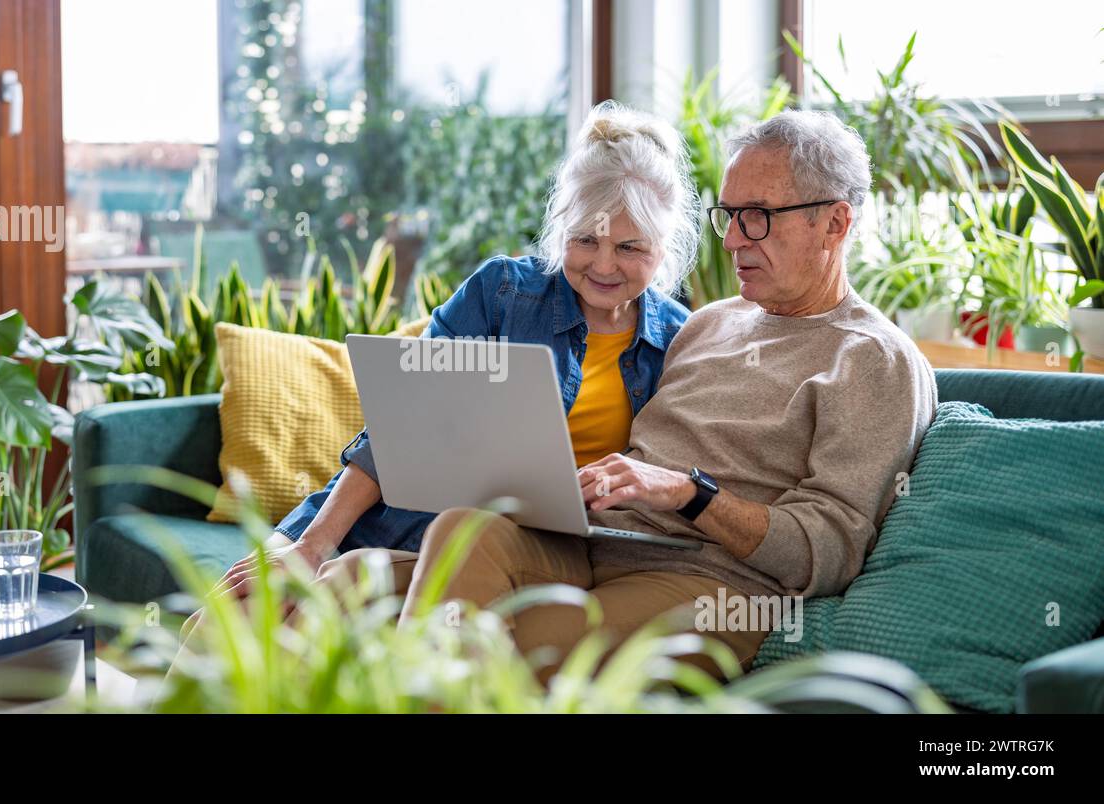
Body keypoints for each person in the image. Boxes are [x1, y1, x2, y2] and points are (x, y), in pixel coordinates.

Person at [342, 109, 938, 683]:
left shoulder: (874, 360)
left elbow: (828, 551)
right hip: (595, 545)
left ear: (835, 222)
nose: (731, 241)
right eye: (727, 215)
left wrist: (689, 494)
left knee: (506, 643)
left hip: (711, 583)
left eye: (756, 216)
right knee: (398, 558)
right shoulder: (707, 325)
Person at [189, 101, 702, 635]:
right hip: (401, 514)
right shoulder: (503, 292)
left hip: (527, 549)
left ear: (665, 247)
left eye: (628, 247)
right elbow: (399, 427)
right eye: (584, 240)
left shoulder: (681, 342)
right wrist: (315, 541)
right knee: (217, 627)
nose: (602, 264)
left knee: (299, 623)